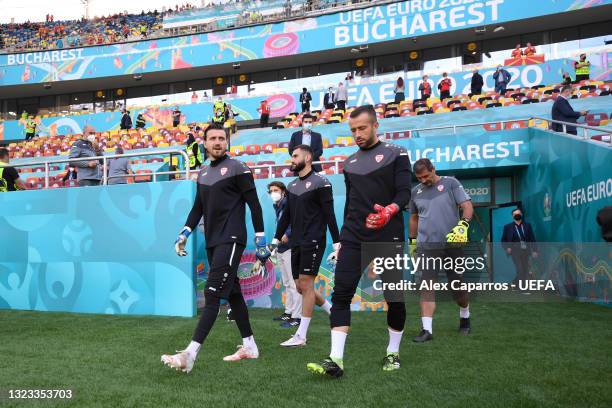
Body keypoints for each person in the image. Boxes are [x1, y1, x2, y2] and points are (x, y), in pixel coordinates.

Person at [307, 105, 412, 377]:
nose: (357, 134)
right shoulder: (350, 163)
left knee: (394, 298)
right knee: (340, 294)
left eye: (362, 128)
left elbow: (404, 193)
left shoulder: (397, 154)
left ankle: (393, 352)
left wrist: (389, 211)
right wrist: (341, 238)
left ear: (375, 125)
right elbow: (351, 204)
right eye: (353, 130)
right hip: (354, 235)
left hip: (388, 235)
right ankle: (336, 360)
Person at [161, 123, 270, 373]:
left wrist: (261, 239)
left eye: (222, 138)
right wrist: (185, 233)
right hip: (212, 240)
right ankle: (250, 346)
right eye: (213, 138)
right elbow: (198, 208)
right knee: (233, 293)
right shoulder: (203, 173)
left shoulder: (238, 168)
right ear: (206, 143)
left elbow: (254, 205)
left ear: (227, 141)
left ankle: (190, 354)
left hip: (231, 239)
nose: (218, 142)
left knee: (212, 294)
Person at [273, 145, 338, 346]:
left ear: (308, 157)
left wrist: (337, 243)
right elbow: (287, 218)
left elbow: (330, 215)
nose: (291, 159)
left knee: (306, 284)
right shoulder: (291, 186)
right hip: (296, 242)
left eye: (295, 156)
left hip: (314, 240)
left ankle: (301, 335)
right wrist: (275, 240)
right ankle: (333, 311)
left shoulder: (322, 183)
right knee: (301, 287)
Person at [408, 158, 474, 343]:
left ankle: (465, 314)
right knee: (426, 285)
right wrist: (412, 242)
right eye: (419, 178)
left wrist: (463, 225)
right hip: (427, 246)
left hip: (452, 245)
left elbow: (467, 206)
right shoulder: (415, 192)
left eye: (426, 176)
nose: (423, 180)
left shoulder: (451, 183)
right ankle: (426, 330)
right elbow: (414, 218)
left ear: (433, 169)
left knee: (457, 288)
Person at [268, 181, 302, 324]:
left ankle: (297, 316)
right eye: (271, 191)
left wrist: (287, 233)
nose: (273, 193)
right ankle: (288, 312)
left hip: (290, 247)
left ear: (283, 191)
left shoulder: (289, 203)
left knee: (294, 284)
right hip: (281, 248)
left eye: (276, 190)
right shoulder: (277, 206)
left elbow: (297, 221)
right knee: (287, 283)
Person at [501, 208, 538, 288]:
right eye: (515, 214)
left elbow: (532, 238)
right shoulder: (508, 227)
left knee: (525, 269)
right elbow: (503, 240)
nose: (517, 215)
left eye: (518, 213)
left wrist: (535, 250)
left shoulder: (527, 226)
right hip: (515, 251)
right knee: (520, 268)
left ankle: (515, 283)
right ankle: (523, 288)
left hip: (526, 250)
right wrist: (507, 248)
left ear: (521, 215)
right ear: (512, 216)